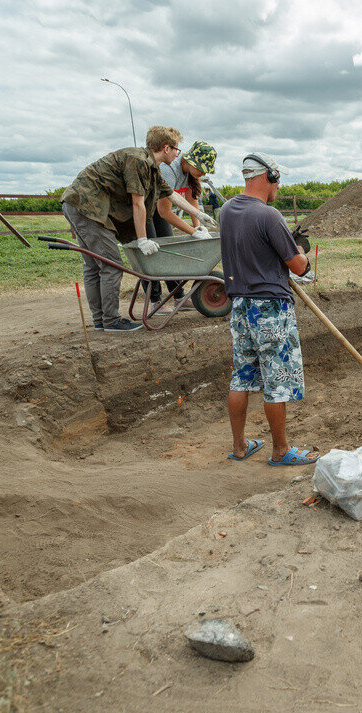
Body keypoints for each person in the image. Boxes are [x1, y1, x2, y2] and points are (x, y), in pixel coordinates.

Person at [60, 126, 210, 332]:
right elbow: (138, 204)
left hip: (79, 203)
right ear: (166, 148)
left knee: (94, 266)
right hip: (87, 207)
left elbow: (170, 195)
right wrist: (142, 240)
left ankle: (101, 321)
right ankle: (111, 321)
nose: (178, 154)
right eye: (177, 149)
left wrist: (199, 215)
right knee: (110, 264)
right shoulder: (139, 161)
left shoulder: (150, 165)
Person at [219, 153, 318, 466]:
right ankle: (280, 451)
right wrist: (298, 246)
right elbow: (299, 266)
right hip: (271, 309)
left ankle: (239, 446)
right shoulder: (269, 215)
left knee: (241, 376)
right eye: (278, 179)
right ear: (270, 177)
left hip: (239, 306)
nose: (279, 185)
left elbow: (254, 250)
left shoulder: (226, 211)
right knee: (277, 380)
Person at [144, 140, 220, 311]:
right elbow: (164, 212)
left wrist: (199, 226)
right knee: (151, 254)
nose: (202, 172)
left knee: (170, 251)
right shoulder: (169, 170)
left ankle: (179, 297)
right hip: (145, 210)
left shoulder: (190, 175)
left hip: (160, 210)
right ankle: (155, 301)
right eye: (200, 168)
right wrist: (193, 232)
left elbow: (191, 200)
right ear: (190, 160)